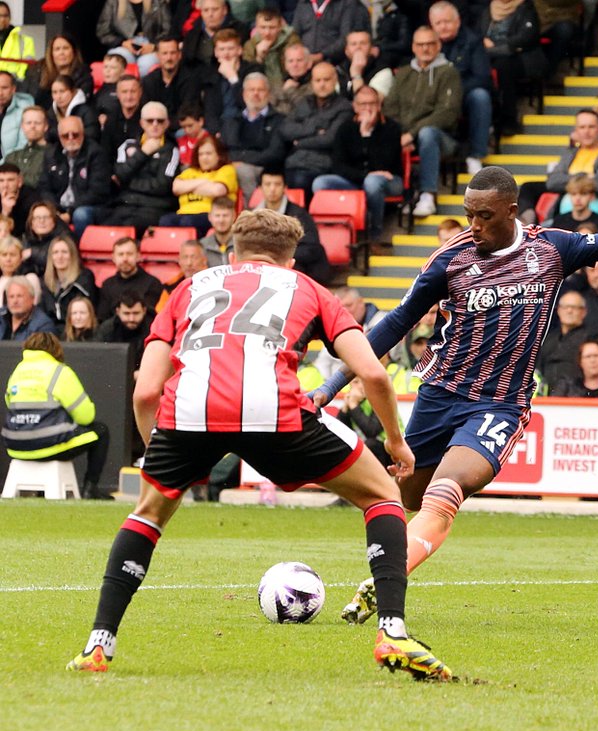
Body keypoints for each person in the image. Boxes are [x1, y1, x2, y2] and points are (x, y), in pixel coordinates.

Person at [317, 162, 598, 623]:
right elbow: (395, 323)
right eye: (468, 214)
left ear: (511, 211)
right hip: (439, 394)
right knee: (407, 499)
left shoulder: (554, 249)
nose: (474, 225)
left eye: (484, 216)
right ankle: (396, 561)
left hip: (501, 402)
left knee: (446, 487)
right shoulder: (449, 260)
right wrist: (333, 384)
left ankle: (383, 585)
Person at [66, 207, 453, 681]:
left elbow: (145, 390)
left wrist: (163, 453)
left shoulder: (189, 288)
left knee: (146, 514)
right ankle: (392, 630)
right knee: (382, 497)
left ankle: (97, 646)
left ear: (231, 251)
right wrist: (396, 442)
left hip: (189, 414)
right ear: (290, 261)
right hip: (277, 414)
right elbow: (372, 371)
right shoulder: (308, 288)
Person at [3, 332, 110, 499]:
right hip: (49, 446)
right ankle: (90, 489)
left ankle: (39, 492)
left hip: (15, 446)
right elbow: (86, 417)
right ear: (56, 350)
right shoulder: (60, 372)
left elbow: (10, 405)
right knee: (101, 430)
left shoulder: (17, 372)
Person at [382, 27, 463, 219]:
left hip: (443, 138)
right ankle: (405, 196)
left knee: (428, 132)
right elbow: (390, 108)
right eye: (420, 44)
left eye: (430, 44)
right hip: (405, 137)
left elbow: (447, 113)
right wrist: (402, 135)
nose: (425, 48)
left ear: (438, 45)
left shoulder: (449, 72)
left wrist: (412, 134)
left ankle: (428, 194)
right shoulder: (403, 73)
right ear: (413, 47)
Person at [312, 85, 405, 244]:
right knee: (320, 183)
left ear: (379, 105)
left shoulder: (391, 127)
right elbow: (338, 165)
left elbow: (385, 164)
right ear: (355, 107)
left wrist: (367, 136)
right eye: (363, 104)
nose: (368, 108)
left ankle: (375, 234)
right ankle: (341, 231)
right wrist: (363, 175)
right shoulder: (345, 128)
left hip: (390, 180)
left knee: (373, 182)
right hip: (357, 180)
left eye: (372, 103)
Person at [429, 2, 492, 176]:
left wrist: (452, 91)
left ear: (457, 21)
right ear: (431, 25)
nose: (443, 27)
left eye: (447, 21)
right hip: (432, 96)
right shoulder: (425, 43)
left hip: (464, 94)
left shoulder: (472, 41)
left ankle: (475, 155)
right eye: (438, 23)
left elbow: (482, 77)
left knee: (480, 96)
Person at [277, 61, 351, 195]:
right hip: (293, 163)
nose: (322, 84)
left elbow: (330, 139)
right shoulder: (304, 102)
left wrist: (299, 142)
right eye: (318, 80)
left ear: (335, 80)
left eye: (326, 80)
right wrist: (314, 129)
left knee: (298, 182)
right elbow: (285, 129)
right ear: (312, 82)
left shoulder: (343, 107)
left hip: (323, 165)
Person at [110, 102, 182, 233]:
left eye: (160, 121)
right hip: (125, 205)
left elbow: (163, 186)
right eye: (150, 121)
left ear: (167, 124)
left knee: (128, 228)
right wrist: (143, 153)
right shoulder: (127, 145)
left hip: (154, 208)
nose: (155, 124)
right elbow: (120, 173)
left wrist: (129, 184)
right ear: (142, 123)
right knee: (103, 229)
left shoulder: (172, 151)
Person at [255, 170, 331, 284]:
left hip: (297, 270)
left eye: (277, 184)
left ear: (285, 187)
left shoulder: (299, 215)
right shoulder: (253, 216)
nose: (272, 189)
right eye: (267, 184)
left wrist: (277, 256)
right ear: (260, 188)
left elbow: (312, 247)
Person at [481, 0, 544, 136]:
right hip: (489, 55)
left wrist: (496, 46)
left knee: (503, 66)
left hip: (521, 57)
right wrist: (482, 41)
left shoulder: (526, 8)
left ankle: (509, 120)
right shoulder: (488, 9)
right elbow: (479, 34)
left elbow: (525, 38)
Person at [221, 71, 286, 204]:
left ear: (268, 93)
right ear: (244, 94)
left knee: (244, 172)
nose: (256, 94)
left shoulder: (279, 120)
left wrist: (243, 161)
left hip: (264, 166)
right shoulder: (231, 120)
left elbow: (275, 153)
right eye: (251, 90)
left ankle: (252, 214)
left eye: (260, 90)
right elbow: (224, 147)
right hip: (233, 164)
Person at [43, 116, 111, 237]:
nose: (70, 138)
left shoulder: (96, 153)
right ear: (59, 137)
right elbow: (44, 187)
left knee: (80, 215)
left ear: (83, 134)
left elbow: (97, 192)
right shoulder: (51, 154)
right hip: (59, 207)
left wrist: (70, 212)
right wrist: (54, 210)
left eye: (75, 134)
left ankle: (77, 251)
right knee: (40, 213)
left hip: (89, 207)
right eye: (65, 136)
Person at [163, 133, 237, 231]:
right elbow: (176, 188)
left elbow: (217, 191)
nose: (204, 158)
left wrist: (188, 188)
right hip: (183, 213)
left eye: (208, 154)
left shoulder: (226, 170)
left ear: (218, 156)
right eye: (201, 154)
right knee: (165, 221)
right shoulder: (189, 172)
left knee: (187, 222)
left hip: (211, 215)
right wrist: (205, 182)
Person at [98, 0, 172, 77]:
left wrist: (154, 46)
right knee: (117, 62)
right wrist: (122, 42)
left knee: (146, 64)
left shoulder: (158, 2)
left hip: (152, 46)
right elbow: (103, 32)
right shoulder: (113, 2)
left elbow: (169, 30)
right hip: (123, 46)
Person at [97, 237, 165, 320]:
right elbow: (102, 318)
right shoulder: (107, 285)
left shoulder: (152, 284)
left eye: (129, 254)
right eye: (120, 254)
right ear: (113, 258)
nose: (125, 259)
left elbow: (151, 318)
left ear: (138, 256)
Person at [40, 234, 97, 332]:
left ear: (72, 255)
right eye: (55, 252)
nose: (60, 256)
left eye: (64, 252)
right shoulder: (45, 283)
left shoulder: (84, 279)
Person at [19, 34, 89, 110]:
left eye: (65, 48)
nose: (61, 53)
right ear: (51, 53)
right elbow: (24, 98)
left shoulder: (83, 75)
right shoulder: (36, 71)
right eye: (57, 49)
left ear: (74, 51)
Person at [540, 290, 590, 394]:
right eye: (565, 307)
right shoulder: (548, 338)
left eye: (574, 307)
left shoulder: (590, 338)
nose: (569, 311)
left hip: (575, 396)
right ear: (558, 310)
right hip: (545, 396)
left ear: (584, 312)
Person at [292, 0, 369, 65]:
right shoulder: (303, 3)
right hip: (304, 62)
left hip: (334, 61)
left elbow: (346, 37)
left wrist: (322, 55)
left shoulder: (346, 3)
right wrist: (300, 55)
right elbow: (295, 35)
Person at [22, 200, 71, 275]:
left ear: (54, 221)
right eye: (37, 218)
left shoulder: (65, 237)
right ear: (31, 223)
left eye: (46, 217)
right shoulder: (25, 238)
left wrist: (32, 253)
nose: (42, 221)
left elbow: (58, 260)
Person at [4, 106, 49, 188]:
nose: (32, 126)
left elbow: (39, 182)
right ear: (22, 126)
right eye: (28, 123)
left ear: (45, 126)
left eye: (37, 123)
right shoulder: (11, 157)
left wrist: (13, 178)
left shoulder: (53, 155)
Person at [0, 276, 54, 340]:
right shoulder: (1, 316)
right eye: (11, 297)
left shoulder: (43, 325)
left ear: (32, 298)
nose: (15, 301)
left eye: (19, 296)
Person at [199, 196, 236, 267]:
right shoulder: (202, 245)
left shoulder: (242, 244)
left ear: (234, 216)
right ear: (210, 217)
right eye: (217, 216)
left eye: (225, 215)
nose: (221, 220)